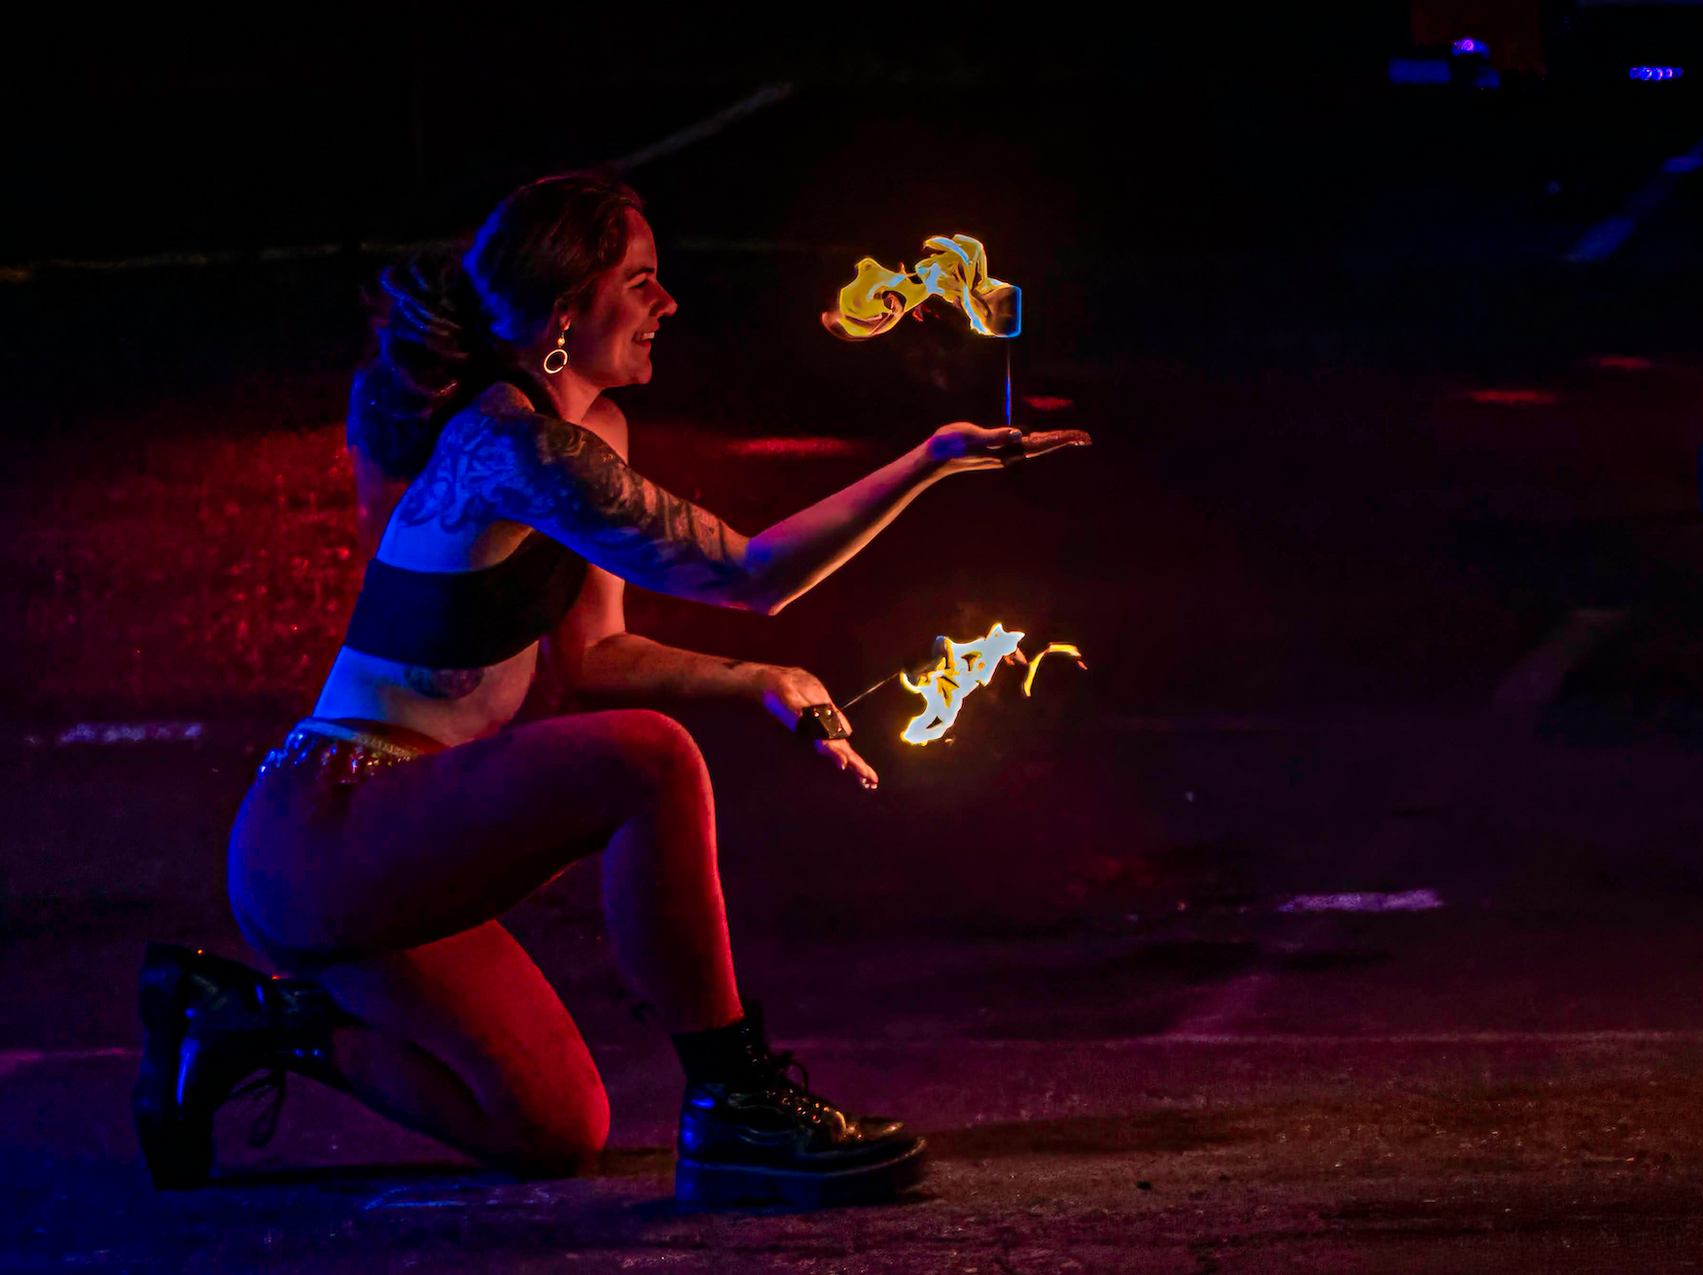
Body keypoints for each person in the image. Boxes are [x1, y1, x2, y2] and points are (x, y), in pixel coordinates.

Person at [130, 173, 1088, 1208]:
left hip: (398, 848)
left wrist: (768, 679)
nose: (667, 304)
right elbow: (750, 575)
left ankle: (248, 1023)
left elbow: (592, 658)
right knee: (651, 758)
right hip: (331, 832)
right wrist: (930, 461)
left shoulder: (588, 441)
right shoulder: (514, 445)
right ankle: (737, 1105)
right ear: (565, 312)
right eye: (641, 282)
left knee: (550, 1128)